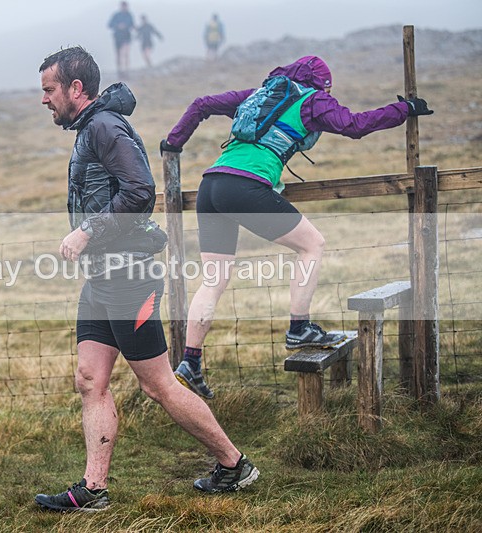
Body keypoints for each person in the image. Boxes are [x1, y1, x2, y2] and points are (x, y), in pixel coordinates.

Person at [35, 46, 259, 512]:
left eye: (49, 89)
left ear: (76, 88)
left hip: (130, 278)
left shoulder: (104, 126)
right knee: (89, 379)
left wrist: (86, 230)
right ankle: (93, 489)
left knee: (157, 385)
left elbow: (140, 191)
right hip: (102, 278)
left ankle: (234, 463)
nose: (44, 99)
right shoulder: (90, 128)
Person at [161, 56, 433, 398]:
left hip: (211, 185)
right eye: (327, 89)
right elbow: (356, 125)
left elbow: (202, 104)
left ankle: (190, 363)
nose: (328, 95)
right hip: (246, 186)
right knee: (312, 244)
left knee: (213, 280)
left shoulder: (261, 94)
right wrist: (404, 109)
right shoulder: (313, 101)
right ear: (321, 85)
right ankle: (299, 327)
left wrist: (173, 143)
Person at [108, 1, 135, 77]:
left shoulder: (129, 15)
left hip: (126, 37)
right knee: (118, 55)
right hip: (118, 37)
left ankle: (126, 70)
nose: (124, 8)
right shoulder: (116, 15)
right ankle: (120, 70)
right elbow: (110, 24)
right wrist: (118, 26)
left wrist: (126, 26)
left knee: (126, 53)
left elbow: (132, 24)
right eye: (123, 6)